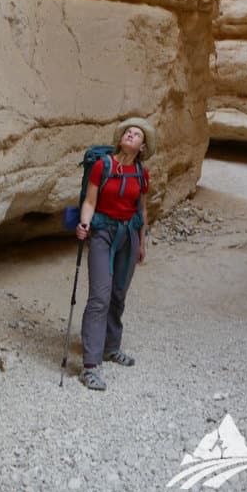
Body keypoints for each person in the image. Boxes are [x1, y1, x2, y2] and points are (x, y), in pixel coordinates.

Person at [75, 117, 156, 390]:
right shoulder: (103, 166)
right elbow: (90, 201)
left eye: (136, 134)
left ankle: (111, 347)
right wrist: (84, 224)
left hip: (129, 236)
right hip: (103, 234)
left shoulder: (141, 174)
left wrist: (142, 242)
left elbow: (141, 209)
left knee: (118, 294)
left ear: (142, 147)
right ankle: (90, 365)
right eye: (128, 132)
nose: (130, 135)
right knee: (99, 297)